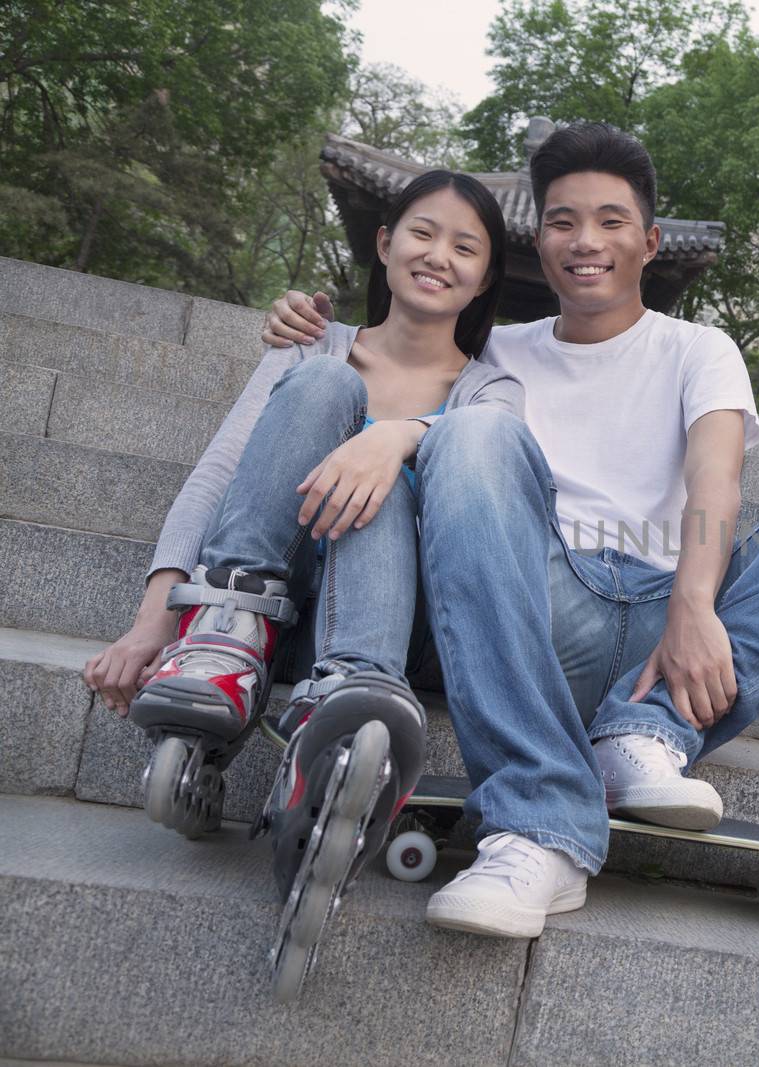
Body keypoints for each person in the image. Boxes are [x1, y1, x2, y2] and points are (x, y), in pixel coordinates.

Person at [260, 122, 759, 940]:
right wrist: (314, 335)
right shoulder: (492, 348)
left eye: (611, 220)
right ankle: (539, 826)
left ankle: (643, 735)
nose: (585, 241)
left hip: (663, 625)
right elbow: (390, 362)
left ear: (651, 241)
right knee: (471, 433)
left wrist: (695, 605)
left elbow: (716, 477)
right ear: (540, 236)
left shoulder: (698, 347)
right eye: (563, 221)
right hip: (535, 601)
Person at [83, 169, 526, 993]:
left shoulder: (491, 387)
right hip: (268, 594)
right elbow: (220, 477)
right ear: (385, 243)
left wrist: (392, 437)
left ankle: (347, 695)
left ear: (487, 275)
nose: (439, 256)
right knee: (329, 386)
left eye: (467, 246)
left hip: (392, 616)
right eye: (422, 233)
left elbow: (487, 479)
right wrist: (153, 623)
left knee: (388, 464)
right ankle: (223, 641)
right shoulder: (311, 346)